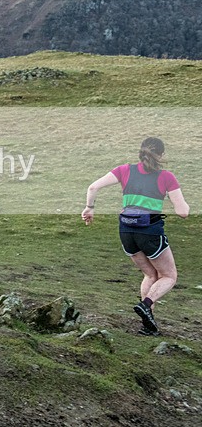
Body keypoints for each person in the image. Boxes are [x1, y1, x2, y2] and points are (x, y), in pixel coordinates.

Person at [82, 137, 190, 336]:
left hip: (126, 231)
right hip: (149, 233)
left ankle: (148, 325)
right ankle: (146, 304)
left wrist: (90, 208)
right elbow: (183, 212)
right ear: (161, 155)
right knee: (169, 276)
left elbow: (93, 187)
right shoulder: (166, 177)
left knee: (150, 275)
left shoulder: (124, 170)